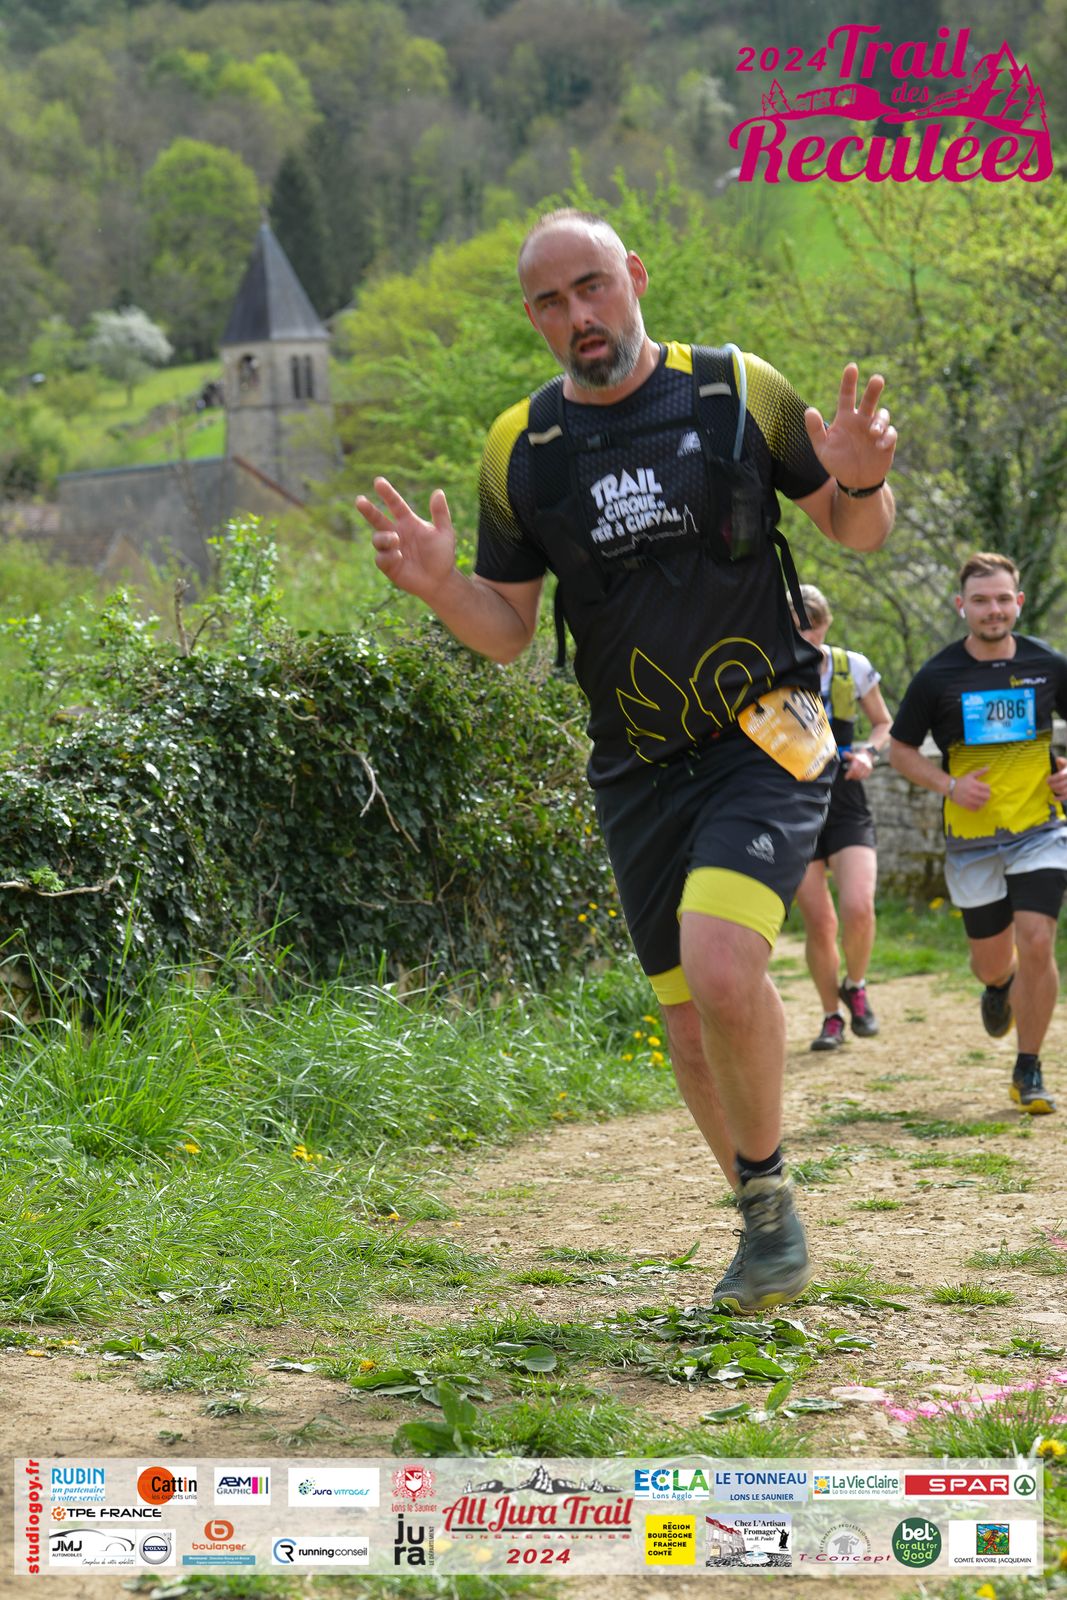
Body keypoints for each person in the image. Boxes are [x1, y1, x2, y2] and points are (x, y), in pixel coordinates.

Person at [356, 209, 897, 1309]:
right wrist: (439, 586)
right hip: (636, 761)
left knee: (722, 966)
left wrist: (857, 482)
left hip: (768, 727)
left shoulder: (734, 389)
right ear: (533, 318)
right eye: (551, 301)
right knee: (688, 1022)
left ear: (634, 276)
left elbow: (856, 532)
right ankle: (765, 1222)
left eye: (592, 285)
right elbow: (507, 630)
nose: (579, 315)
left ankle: (766, 1207)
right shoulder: (522, 448)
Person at [890, 552, 1067, 1114]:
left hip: (1040, 828)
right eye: (981, 600)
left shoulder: (1048, 665)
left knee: (1037, 939)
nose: (994, 610)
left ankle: (1028, 1067)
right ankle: (998, 985)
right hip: (972, 842)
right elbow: (898, 749)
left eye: (1003, 599)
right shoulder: (937, 676)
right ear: (960, 606)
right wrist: (948, 785)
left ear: (1019, 602)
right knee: (993, 961)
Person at [792, 583, 892, 1051]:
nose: (806, 637)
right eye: (796, 629)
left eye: (812, 627)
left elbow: (884, 723)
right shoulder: (766, 671)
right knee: (820, 922)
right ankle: (831, 1016)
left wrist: (869, 753)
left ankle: (856, 985)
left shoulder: (853, 667)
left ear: (827, 624)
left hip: (848, 800)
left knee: (858, 906)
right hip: (793, 805)